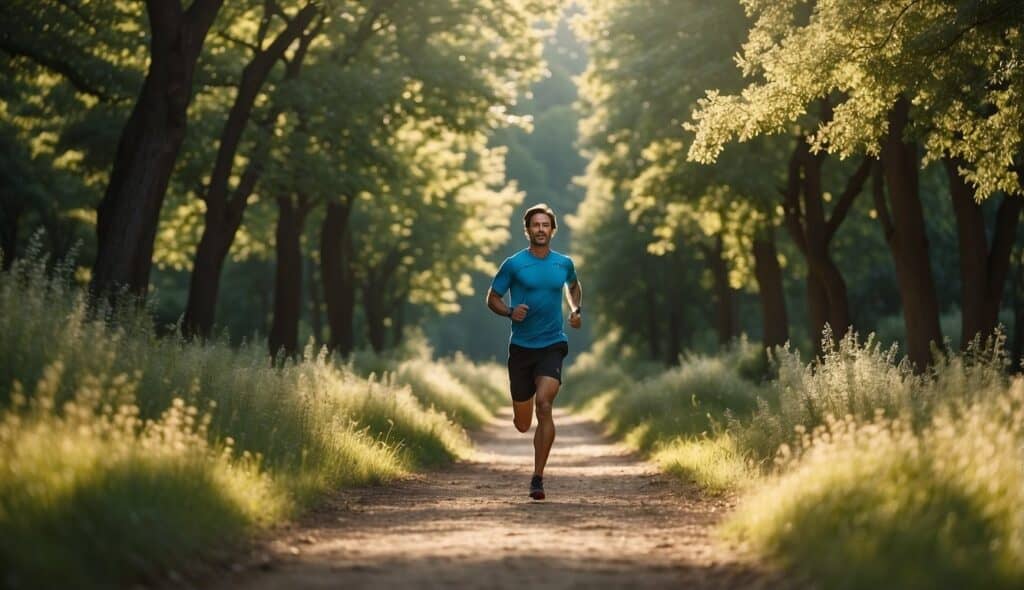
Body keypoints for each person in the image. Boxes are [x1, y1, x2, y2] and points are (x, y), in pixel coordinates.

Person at [486, 203, 582, 500]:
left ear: (553, 230)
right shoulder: (514, 264)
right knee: (523, 423)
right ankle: (522, 417)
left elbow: (574, 287)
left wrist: (576, 309)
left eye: (545, 225)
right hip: (521, 348)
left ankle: (538, 477)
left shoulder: (563, 263)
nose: (540, 229)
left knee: (544, 405)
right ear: (527, 230)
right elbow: (492, 297)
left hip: (553, 343)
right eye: (535, 225)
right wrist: (510, 312)